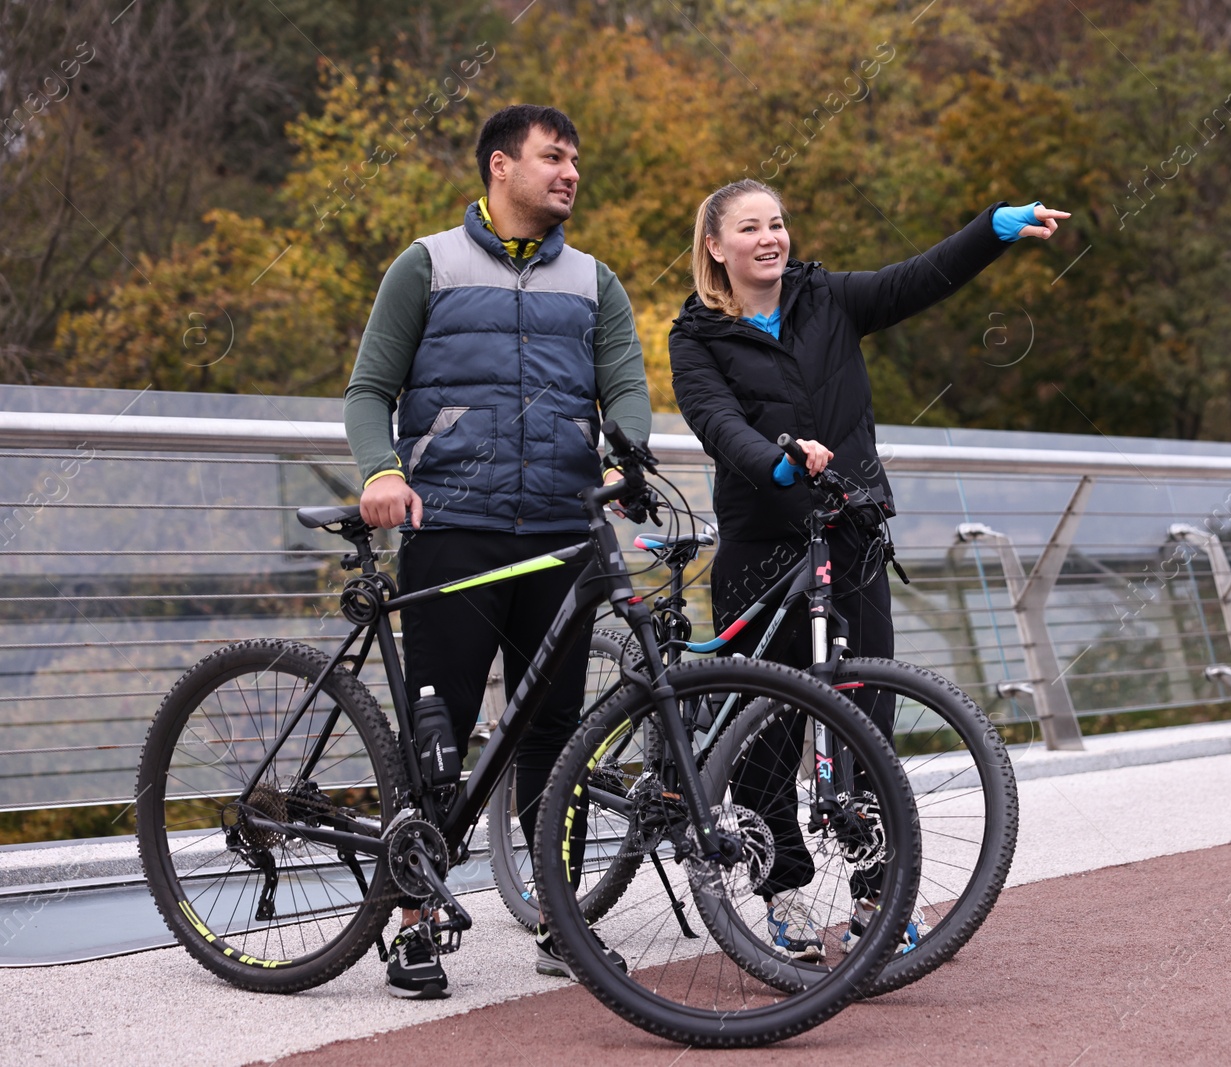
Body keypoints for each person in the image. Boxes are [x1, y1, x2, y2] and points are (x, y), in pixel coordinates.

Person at [668, 179, 1068, 959]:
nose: (770, 238)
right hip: (760, 548)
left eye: (778, 222)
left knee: (868, 722)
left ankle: (878, 898)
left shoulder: (831, 300)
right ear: (716, 246)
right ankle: (779, 892)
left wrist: (992, 228)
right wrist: (777, 464)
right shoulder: (697, 336)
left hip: (848, 538)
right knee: (768, 732)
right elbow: (715, 423)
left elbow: (921, 276)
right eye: (750, 227)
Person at [344, 104, 651, 998]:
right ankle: (411, 922)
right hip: (454, 530)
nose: (571, 173)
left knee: (557, 734)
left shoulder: (596, 282)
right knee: (431, 726)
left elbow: (625, 387)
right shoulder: (428, 264)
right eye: (554, 156)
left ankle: (563, 918)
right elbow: (370, 389)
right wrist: (380, 470)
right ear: (498, 167)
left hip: (561, 532)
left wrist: (626, 459)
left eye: (577, 159)